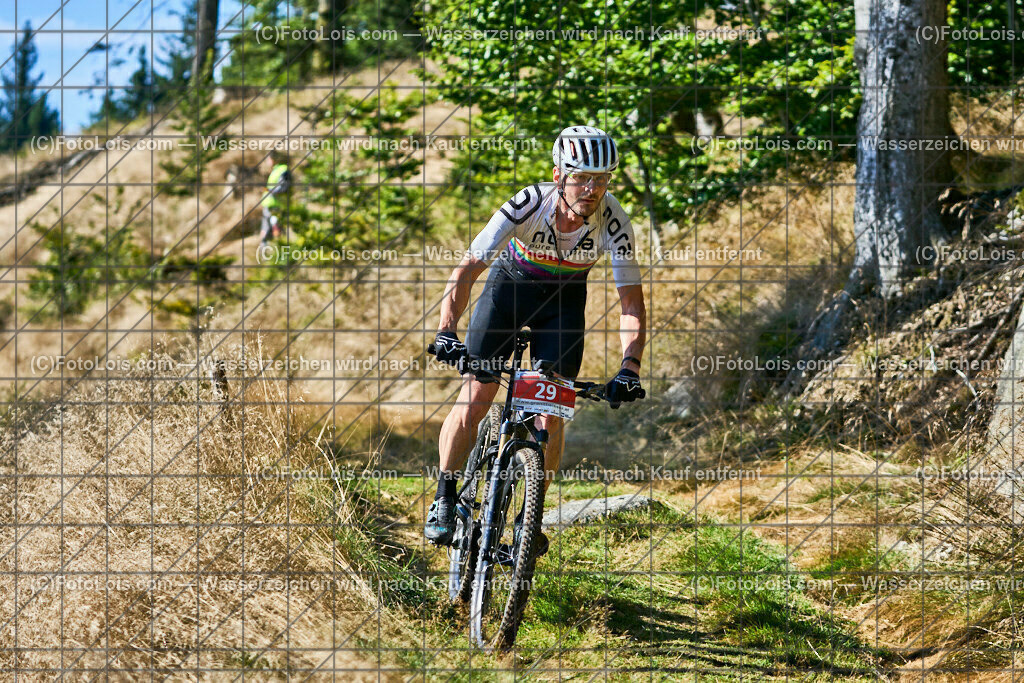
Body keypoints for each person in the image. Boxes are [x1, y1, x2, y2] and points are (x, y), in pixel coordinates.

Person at [425, 126, 647, 553]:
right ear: (558, 174)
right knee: (476, 397)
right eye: (582, 177)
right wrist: (446, 330)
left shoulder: (614, 221)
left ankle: (532, 515)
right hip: (507, 295)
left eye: (602, 178)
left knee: (552, 412)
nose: (592, 187)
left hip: (562, 309)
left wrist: (629, 368)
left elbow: (631, 304)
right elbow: (468, 268)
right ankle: (445, 497)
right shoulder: (529, 203)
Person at [259, 153, 292, 245]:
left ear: (274, 159)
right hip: (269, 205)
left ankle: (278, 251)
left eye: (268, 159)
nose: (267, 162)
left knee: (276, 230)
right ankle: (265, 253)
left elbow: (284, 187)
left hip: (277, 205)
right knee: (265, 231)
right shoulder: (275, 170)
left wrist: (270, 191)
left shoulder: (283, 170)